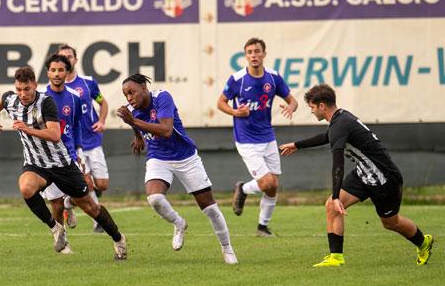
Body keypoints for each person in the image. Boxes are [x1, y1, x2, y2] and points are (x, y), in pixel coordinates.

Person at [279, 84, 434, 267]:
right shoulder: (340, 119)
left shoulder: (340, 124)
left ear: (322, 106)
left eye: (312, 107)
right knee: (331, 206)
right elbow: (327, 136)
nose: (312, 111)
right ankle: (336, 258)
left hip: (384, 179)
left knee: (391, 222)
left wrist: (337, 195)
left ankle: (423, 242)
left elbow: (338, 163)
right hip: (364, 174)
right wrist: (297, 145)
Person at [0, 66, 128, 260]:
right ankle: (56, 228)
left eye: (27, 89)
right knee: (26, 188)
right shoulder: (12, 99)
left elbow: (54, 134)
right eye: (19, 89)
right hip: (36, 163)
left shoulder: (46, 103)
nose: (23, 94)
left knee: (90, 207)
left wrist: (28, 129)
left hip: (60, 163)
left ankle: (119, 239)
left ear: (35, 86)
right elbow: (3, 99)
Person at [117, 74, 238, 264]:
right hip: (158, 157)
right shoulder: (133, 110)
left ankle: (227, 249)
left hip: (186, 157)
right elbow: (137, 124)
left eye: (132, 92)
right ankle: (179, 223)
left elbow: (165, 130)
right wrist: (138, 136)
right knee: (155, 199)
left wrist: (133, 123)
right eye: (126, 95)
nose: (129, 98)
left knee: (210, 209)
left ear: (143, 87)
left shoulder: (162, 97)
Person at [217, 37, 298, 237]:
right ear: (245, 56)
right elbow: (220, 103)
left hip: (268, 136)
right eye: (250, 52)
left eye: (257, 51)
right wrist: (236, 112)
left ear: (264, 54)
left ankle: (262, 227)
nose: (254, 55)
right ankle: (244, 189)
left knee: (273, 186)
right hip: (246, 139)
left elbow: (293, 100)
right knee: (267, 183)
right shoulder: (237, 79)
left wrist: (291, 107)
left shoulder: (273, 77)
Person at [58, 44, 110, 233]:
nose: (66, 59)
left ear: (75, 60)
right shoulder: (57, 89)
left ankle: (69, 200)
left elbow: (102, 102)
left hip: (94, 141)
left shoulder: (88, 83)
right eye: (62, 57)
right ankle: (99, 222)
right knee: (86, 183)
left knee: (102, 184)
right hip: (74, 145)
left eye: (69, 56)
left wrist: (102, 120)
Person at [38, 53, 84, 254]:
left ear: (67, 72)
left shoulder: (74, 97)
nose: (57, 74)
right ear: (47, 72)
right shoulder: (39, 97)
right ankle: (61, 239)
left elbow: (76, 127)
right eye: (53, 70)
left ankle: (69, 204)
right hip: (47, 157)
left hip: (70, 155)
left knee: (85, 191)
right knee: (55, 203)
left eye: (61, 70)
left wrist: (79, 152)